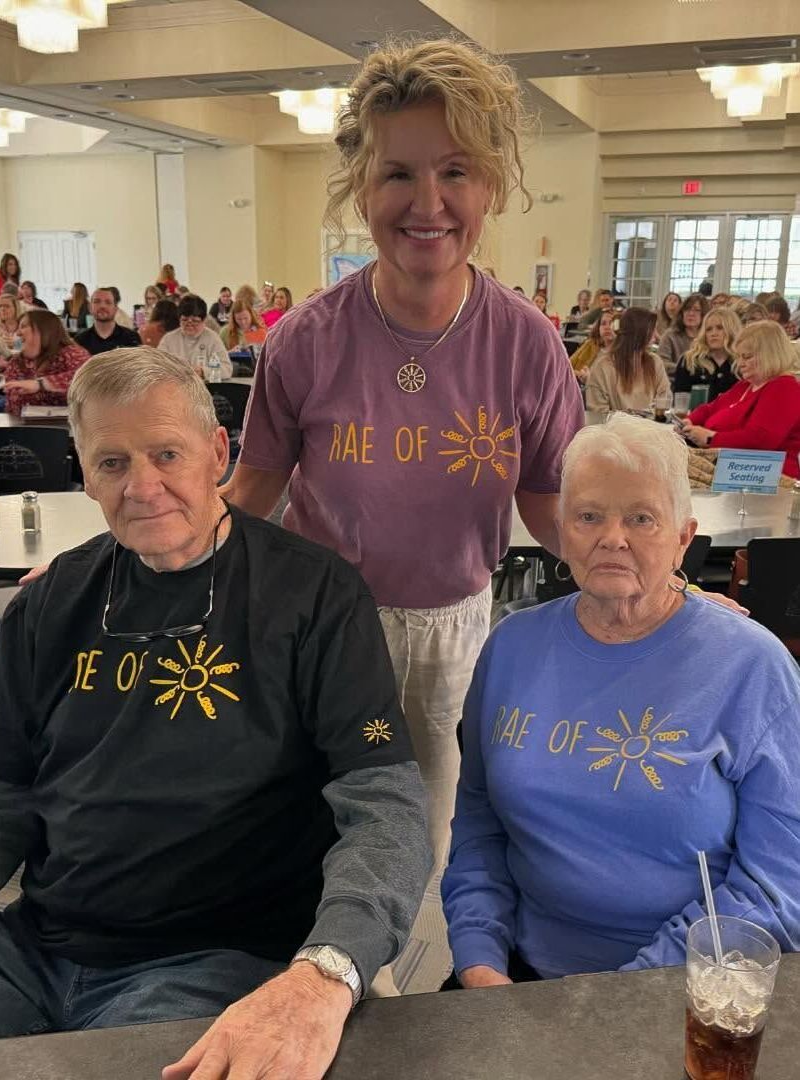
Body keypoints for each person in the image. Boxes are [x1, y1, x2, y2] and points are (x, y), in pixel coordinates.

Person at [0, 349, 431, 1075]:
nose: (143, 486)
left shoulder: (314, 595)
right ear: (82, 468)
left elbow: (385, 806)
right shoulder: (51, 602)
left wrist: (327, 970)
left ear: (218, 452)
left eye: (167, 453)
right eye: (111, 463)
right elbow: (3, 791)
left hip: (213, 957)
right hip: (36, 946)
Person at [226, 37, 584, 865]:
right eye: (398, 174)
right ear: (361, 186)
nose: (429, 202)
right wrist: (115, 565)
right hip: (326, 627)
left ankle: (381, 981)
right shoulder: (305, 341)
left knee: (420, 834)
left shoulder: (528, 344)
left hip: (456, 629)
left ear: (490, 184)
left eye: (456, 171)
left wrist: (652, 582)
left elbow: (546, 502)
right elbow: (251, 491)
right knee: (318, 822)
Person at [442, 412, 800, 988]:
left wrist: (617, 996)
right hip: (511, 980)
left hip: (683, 986)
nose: (613, 537)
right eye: (589, 516)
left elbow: (781, 880)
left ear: (684, 537)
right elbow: (480, 826)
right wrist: (479, 959)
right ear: (559, 530)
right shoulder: (510, 647)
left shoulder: (752, 667)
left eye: (641, 518)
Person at [681, 319, 800, 477]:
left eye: (747, 357)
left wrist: (710, 438)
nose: (740, 363)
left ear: (770, 355)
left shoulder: (784, 388)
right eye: (739, 357)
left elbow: (760, 439)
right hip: (731, 471)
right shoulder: (745, 386)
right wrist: (690, 421)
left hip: (766, 478)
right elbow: (710, 408)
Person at [0, 309, 89, 416]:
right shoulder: (18, 362)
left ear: (43, 330)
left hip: (68, 428)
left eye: (23, 326)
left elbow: (88, 379)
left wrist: (41, 384)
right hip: (24, 428)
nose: (18, 333)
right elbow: (12, 404)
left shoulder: (71, 353)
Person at [585, 308, 671, 415]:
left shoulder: (655, 362)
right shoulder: (602, 367)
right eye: (652, 330)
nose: (655, 335)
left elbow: (665, 397)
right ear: (639, 332)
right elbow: (598, 413)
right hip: (614, 429)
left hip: (651, 427)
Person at [673, 306, 741, 402]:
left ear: (731, 329)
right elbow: (680, 401)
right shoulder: (689, 360)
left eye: (719, 328)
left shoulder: (742, 362)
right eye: (709, 329)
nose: (713, 333)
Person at [159, 293, 232, 380]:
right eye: (184, 320)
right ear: (179, 319)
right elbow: (156, 366)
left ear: (204, 320)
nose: (190, 325)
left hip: (204, 389)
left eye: (195, 321)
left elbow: (227, 370)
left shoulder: (212, 338)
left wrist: (203, 372)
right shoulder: (168, 339)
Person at [75, 288, 141, 355]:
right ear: (90, 308)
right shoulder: (80, 341)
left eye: (108, 302)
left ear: (116, 309)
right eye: (97, 301)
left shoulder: (131, 338)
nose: (102, 306)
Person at [657, 293, 709, 376]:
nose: (691, 313)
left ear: (704, 314)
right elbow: (662, 363)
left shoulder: (708, 336)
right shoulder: (670, 335)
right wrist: (688, 369)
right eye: (687, 309)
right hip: (675, 382)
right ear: (682, 313)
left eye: (696, 310)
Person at [569, 309, 615, 384]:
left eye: (611, 324)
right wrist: (579, 374)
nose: (607, 327)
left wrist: (590, 379)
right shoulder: (590, 344)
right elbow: (567, 366)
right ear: (598, 328)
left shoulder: (622, 351)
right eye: (603, 324)